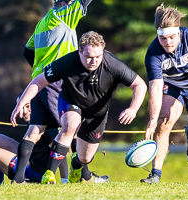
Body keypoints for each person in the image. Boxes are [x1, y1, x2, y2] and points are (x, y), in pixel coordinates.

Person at [11, 31, 147, 184]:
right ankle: (49, 174)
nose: (93, 61)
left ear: (103, 50)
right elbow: (39, 81)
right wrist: (22, 102)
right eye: (89, 57)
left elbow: (139, 84)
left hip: (97, 112)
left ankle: (77, 168)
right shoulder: (67, 62)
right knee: (70, 125)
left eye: (97, 57)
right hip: (71, 101)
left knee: (85, 157)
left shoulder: (112, 64)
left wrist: (133, 108)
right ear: (80, 51)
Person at [13, 0, 105, 184]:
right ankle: (84, 176)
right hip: (55, 82)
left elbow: (27, 51)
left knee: (34, 131)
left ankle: (18, 179)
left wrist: (41, 71)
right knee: (73, 125)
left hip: (40, 82)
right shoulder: (63, 16)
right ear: (65, 2)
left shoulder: (42, 22)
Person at [140, 3, 188, 184]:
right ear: (158, 35)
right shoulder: (153, 53)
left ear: (179, 33)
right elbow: (156, 87)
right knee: (162, 124)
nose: (168, 42)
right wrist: (152, 118)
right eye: (163, 38)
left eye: (172, 37)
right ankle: (155, 175)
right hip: (173, 87)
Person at [0, 97, 68, 184]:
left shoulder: (45, 125)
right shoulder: (34, 122)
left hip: (35, 173)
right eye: (21, 107)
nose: (25, 111)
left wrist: (64, 180)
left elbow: (58, 151)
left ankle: (14, 179)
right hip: (29, 160)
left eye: (28, 106)